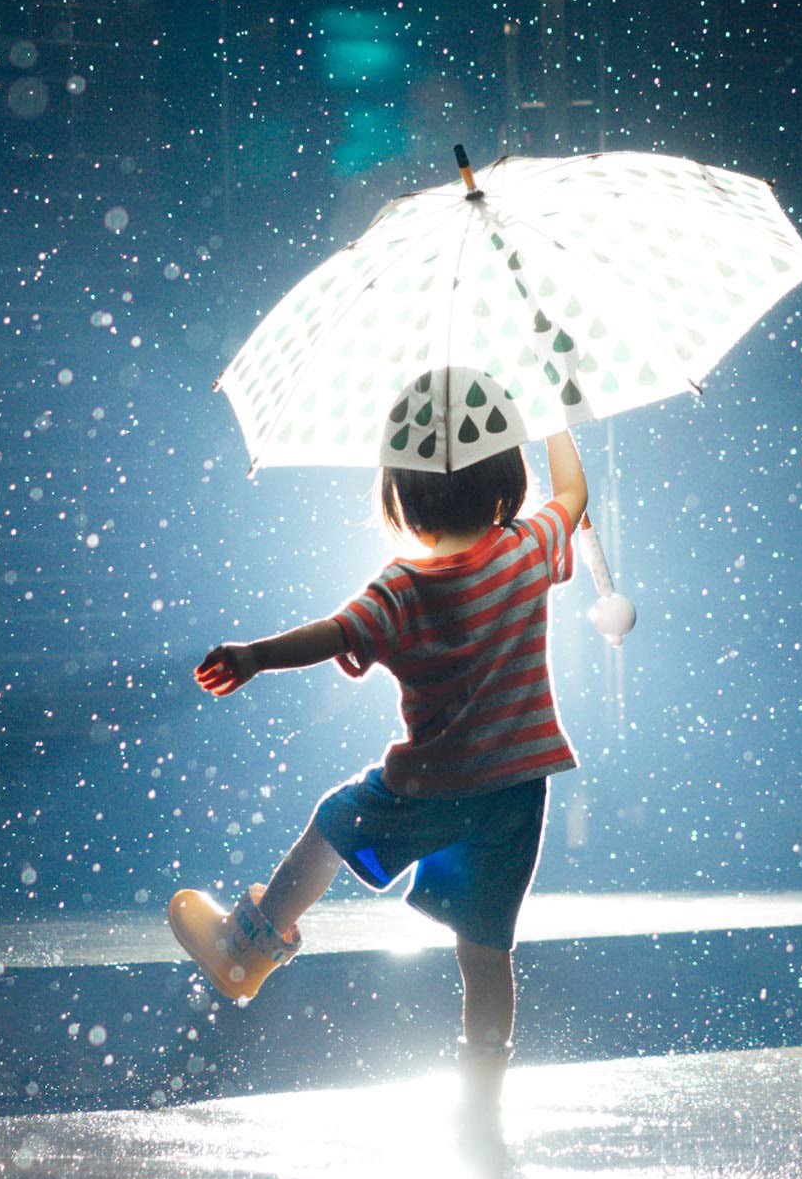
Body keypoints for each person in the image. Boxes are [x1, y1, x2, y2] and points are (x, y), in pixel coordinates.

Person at [170, 366, 588, 1101]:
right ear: (504, 476)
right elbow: (573, 497)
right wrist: (556, 414)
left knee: (335, 827)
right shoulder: (528, 551)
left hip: (425, 795)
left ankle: (249, 948)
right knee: (486, 951)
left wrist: (256, 656)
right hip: (516, 800)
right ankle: (483, 1084)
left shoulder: (402, 589)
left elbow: (332, 634)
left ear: (403, 489)